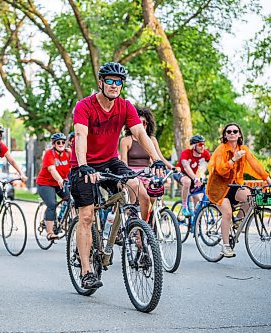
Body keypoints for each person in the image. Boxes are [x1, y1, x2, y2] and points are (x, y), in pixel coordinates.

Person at [70, 62, 165, 289]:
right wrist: (83, 165)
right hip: (82, 164)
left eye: (118, 82)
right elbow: (80, 135)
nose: (114, 85)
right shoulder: (85, 106)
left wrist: (156, 159)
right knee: (86, 216)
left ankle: (132, 230)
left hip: (110, 160)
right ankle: (86, 271)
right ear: (101, 83)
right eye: (110, 81)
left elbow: (140, 133)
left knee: (136, 186)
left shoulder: (124, 106)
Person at [206, 123, 271, 258]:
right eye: (229, 131)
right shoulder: (221, 149)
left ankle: (237, 222)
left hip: (234, 185)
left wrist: (269, 180)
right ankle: (226, 246)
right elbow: (220, 170)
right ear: (225, 135)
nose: (232, 133)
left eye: (235, 131)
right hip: (218, 188)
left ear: (239, 134)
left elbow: (256, 165)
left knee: (251, 197)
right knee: (227, 213)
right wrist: (234, 159)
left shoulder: (243, 149)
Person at [119, 106, 174, 220]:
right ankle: (138, 229)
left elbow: (159, 158)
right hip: (132, 174)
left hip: (147, 173)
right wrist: (127, 175)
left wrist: (172, 167)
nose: (142, 125)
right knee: (143, 199)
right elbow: (123, 161)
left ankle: (150, 223)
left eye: (144, 123)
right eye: (139, 122)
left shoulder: (152, 140)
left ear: (148, 124)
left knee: (155, 197)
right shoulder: (126, 140)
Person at [36, 133, 71, 240]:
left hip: (60, 183)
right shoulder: (49, 154)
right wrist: (60, 179)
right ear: (53, 144)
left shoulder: (69, 153)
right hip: (45, 183)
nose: (61, 144)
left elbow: (74, 167)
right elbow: (52, 169)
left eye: (63, 142)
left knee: (71, 200)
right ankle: (50, 233)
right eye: (58, 142)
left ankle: (65, 223)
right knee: (52, 204)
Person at [174, 135, 211, 217]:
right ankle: (184, 206)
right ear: (194, 146)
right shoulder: (186, 153)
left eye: (203, 144)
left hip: (192, 177)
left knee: (197, 199)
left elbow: (212, 165)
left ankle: (194, 220)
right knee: (187, 182)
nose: (203, 147)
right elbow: (186, 167)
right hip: (180, 172)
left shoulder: (205, 153)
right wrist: (196, 178)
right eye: (200, 145)